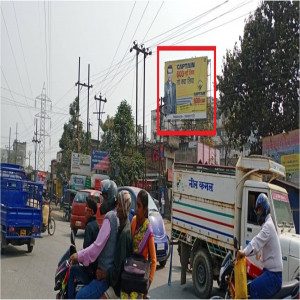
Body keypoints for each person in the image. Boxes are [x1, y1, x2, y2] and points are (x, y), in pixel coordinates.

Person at [69, 180, 119, 299]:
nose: (103, 201)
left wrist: (79, 256)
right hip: (103, 272)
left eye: (105, 197)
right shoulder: (115, 217)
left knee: (80, 297)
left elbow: (97, 246)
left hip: (103, 278)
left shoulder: (110, 217)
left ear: (111, 197)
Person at [237, 193, 283, 299]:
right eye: (256, 210)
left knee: (254, 287)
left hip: (274, 276)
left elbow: (256, 241)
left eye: (259, 210)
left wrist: (244, 252)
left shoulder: (268, 226)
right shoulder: (267, 225)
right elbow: (257, 245)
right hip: (269, 272)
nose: (257, 213)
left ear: (264, 209)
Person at [121, 189, 157, 299]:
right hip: (130, 270)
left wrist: (147, 285)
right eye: (136, 205)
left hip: (140, 276)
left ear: (145, 210)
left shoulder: (149, 230)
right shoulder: (134, 221)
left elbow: (154, 261)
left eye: (139, 206)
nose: (136, 209)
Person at [97, 190, 133, 299]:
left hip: (119, 286)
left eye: (121, 206)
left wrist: (104, 274)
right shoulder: (121, 224)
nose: (118, 208)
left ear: (126, 208)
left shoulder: (124, 233)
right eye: (118, 204)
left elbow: (119, 268)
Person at [58, 196, 99, 269]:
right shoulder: (95, 224)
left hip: (89, 267)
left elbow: (86, 249)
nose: (84, 211)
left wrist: (78, 258)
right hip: (93, 264)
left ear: (91, 212)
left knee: (73, 270)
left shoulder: (89, 227)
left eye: (86, 209)